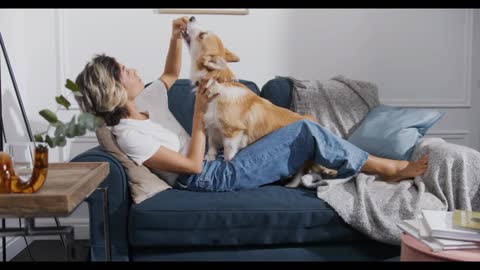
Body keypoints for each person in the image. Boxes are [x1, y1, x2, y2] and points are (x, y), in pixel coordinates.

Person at [74, 17, 429, 192]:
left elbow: (169, 71)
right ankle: (387, 168)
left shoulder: (148, 96)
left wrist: (174, 36)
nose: (134, 70)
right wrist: (198, 116)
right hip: (210, 178)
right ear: (116, 91)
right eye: (124, 71)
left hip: (213, 163)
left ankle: (342, 164)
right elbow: (192, 167)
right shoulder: (130, 134)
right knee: (304, 129)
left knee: (302, 124)